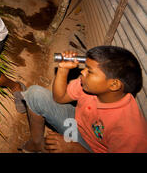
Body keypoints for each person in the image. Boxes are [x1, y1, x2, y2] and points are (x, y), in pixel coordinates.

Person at [19, 46, 147, 153]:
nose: (82, 73)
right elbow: (59, 98)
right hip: (75, 124)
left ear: (114, 85)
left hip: (89, 149)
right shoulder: (88, 86)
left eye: (89, 71)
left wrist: (73, 148)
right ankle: (37, 143)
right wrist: (63, 70)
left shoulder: (130, 132)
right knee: (35, 94)